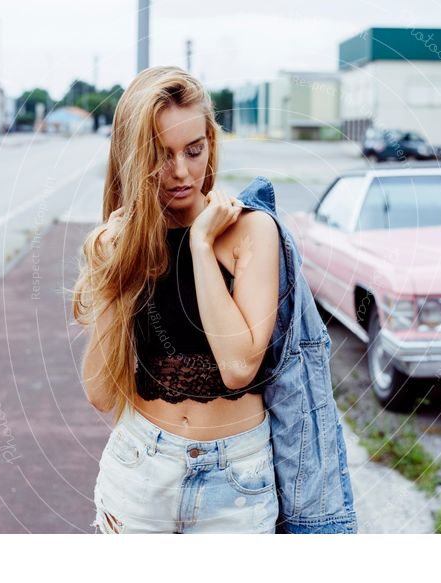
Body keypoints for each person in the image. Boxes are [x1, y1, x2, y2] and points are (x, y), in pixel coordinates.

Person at [72, 65, 282, 533]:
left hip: (238, 480)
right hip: (140, 468)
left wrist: (201, 246)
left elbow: (238, 367)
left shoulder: (251, 230)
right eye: (162, 155)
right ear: (134, 155)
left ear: (211, 140)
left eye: (194, 150)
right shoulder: (125, 239)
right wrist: (111, 274)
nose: (182, 172)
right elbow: (100, 392)